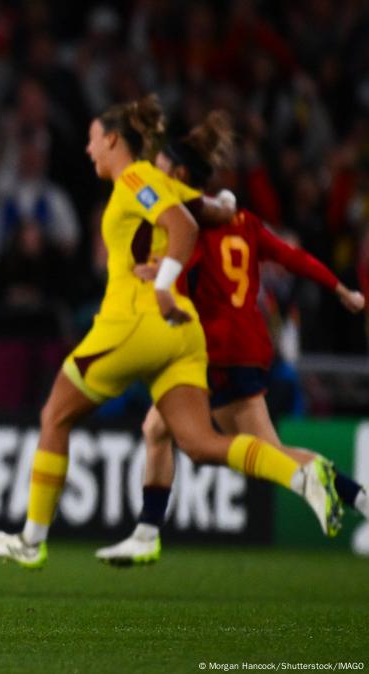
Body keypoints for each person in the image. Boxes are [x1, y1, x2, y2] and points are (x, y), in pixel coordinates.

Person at [0, 95, 343, 569]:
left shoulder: (134, 178)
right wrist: (223, 202)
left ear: (112, 139)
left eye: (93, 140)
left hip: (136, 322)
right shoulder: (160, 182)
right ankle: (302, 475)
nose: (89, 150)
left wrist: (163, 279)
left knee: (55, 416)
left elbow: (183, 228)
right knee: (200, 444)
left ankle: (31, 540)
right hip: (182, 335)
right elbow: (210, 211)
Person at [96, 112, 368, 565]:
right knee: (162, 430)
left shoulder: (190, 224)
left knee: (251, 454)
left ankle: (149, 532)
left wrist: (153, 281)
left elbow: (181, 276)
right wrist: (341, 289)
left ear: (179, 176)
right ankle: (358, 497)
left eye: (161, 167)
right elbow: (293, 256)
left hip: (214, 349)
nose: (153, 174)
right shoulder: (244, 219)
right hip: (249, 345)